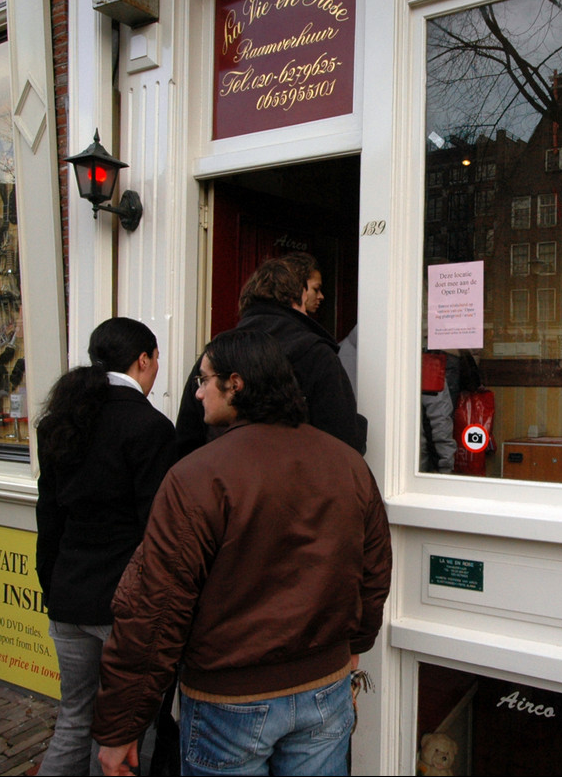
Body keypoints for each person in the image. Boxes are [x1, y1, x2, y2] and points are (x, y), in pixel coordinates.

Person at [92, 329, 392, 777]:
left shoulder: (196, 476)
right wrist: (356, 645)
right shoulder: (347, 463)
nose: (196, 392)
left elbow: (155, 610)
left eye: (203, 379)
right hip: (322, 688)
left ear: (237, 384)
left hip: (232, 702)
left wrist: (120, 727)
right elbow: (374, 571)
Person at [34, 317, 176, 776]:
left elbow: (49, 517)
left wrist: (53, 589)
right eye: (156, 361)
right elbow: (156, 530)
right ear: (143, 359)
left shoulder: (62, 419)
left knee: (73, 719)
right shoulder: (150, 426)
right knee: (127, 730)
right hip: (124, 607)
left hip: (69, 595)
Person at [175, 255, 366, 456]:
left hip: (219, 478)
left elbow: (187, 439)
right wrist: (358, 426)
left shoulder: (213, 357)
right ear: (299, 297)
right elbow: (342, 443)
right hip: (296, 480)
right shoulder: (316, 355)